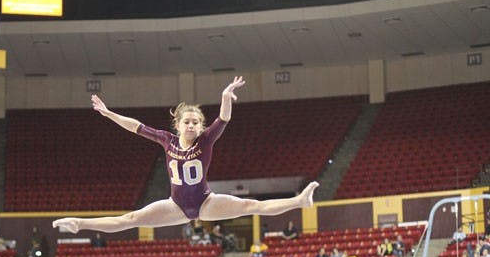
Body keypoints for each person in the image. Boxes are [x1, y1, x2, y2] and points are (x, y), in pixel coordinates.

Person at [53, 77, 319, 234]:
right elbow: (135, 126)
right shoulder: (165, 139)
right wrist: (109, 114)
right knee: (131, 220)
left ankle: (299, 201)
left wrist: (225, 96)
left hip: (206, 202)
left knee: (253, 206)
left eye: (195, 122)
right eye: (187, 122)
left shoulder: (206, 139)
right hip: (175, 205)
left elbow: (224, 118)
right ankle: (79, 223)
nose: (191, 125)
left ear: (201, 127)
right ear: (177, 125)